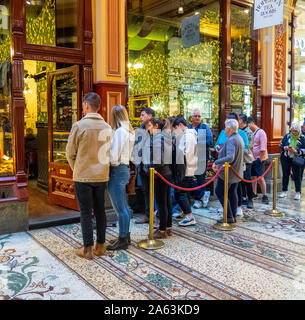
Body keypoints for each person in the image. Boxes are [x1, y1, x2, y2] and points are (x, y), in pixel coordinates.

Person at [66, 92, 111, 260]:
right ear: (98, 106)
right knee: (100, 211)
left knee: (85, 212)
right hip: (101, 176)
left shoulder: (79, 126)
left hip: (83, 176)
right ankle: (100, 246)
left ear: (86, 105)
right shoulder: (107, 127)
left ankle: (87, 249)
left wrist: (76, 167)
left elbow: (70, 152)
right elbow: (109, 152)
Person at [106, 105, 135, 250]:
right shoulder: (130, 131)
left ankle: (123, 239)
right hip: (125, 168)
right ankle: (125, 236)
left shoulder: (119, 132)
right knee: (123, 206)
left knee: (120, 208)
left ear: (114, 116)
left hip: (117, 170)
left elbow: (113, 156)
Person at [212, 119, 245, 224]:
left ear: (229, 129)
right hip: (236, 171)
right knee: (232, 192)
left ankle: (229, 216)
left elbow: (230, 157)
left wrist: (217, 162)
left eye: (225, 127)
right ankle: (232, 215)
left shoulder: (231, 139)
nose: (224, 128)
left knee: (220, 192)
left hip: (228, 173)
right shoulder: (238, 137)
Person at [148, 117, 173, 239]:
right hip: (167, 172)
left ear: (156, 126)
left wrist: (149, 166)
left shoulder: (158, 139)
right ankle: (168, 227)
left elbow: (158, 161)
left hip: (160, 174)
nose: (148, 128)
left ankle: (162, 230)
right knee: (167, 201)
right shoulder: (165, 137)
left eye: (150, 126)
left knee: (162, 202)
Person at [172, 116, 198, 227]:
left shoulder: (188, 136)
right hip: (188, 167)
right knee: (184, 192)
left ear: (180, 125)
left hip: (185, 168)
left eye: (175, 129)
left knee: (180, 193)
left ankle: (190, 216)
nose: (175, 132)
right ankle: (186, 212)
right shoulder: (190, 134)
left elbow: (185, 153)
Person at [133, 107, 155, 224]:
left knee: (157, 191)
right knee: (146, 190)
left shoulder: (157, 129)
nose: (140, 117)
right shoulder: (139, 130)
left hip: (154, 166)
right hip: (142, 166)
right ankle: (148, 214)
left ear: (150, 116)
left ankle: (159, 217)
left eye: (143, 115)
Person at [188, 110, 213, 209]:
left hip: (201, 157)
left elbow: (210, 141)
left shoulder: (204, 127)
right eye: (195, 116)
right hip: (189, 157)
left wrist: (196, 141)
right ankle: (202, 194)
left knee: (200, 179)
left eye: (199, 116)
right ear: (191, 117)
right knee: (188, 179)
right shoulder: (188, 128)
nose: (197, 118)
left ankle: (199, 200)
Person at [279, 123, 305, 200]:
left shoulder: (302, 138)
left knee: (297, 175)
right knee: (285, 174)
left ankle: (298, 192)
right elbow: (280, 145)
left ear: (299, 131)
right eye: (293, 131)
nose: (294, 133)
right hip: (286, 157)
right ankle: (284, 191)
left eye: (296, 131)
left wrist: (296, 150)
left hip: (296, 159)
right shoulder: (287, 136)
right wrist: (285, 147)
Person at [247, 116, 269, 204]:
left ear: (252, 123)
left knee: (260, 177)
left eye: (248, 124)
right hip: (251, 158)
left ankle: (264, 195)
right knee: (253, 177)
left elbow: (263, 147)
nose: (247, 127)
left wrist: (260, 159)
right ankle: (254, 193)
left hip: (258, 158)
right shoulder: (251, 133)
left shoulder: (261, 132)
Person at [238, 114, 255, 210]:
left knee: (247, 179)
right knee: (240, 180)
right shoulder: (238, 131)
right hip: (238, 160)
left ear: (242, 121)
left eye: (238, 120)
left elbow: (248, 146)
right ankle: (242, 197)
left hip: (246, 159)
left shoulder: (248, 132)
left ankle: (250, 198)